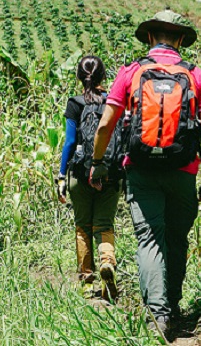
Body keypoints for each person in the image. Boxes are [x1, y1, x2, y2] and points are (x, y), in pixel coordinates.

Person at [90, 10, 201, 335]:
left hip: (141, 169)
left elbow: (106, 123)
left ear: (149, 38)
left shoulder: (131, 72)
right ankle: (173, 305)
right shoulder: (196, 76)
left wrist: (98, 162)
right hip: (183, 170)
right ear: (180, 40)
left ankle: (158, 316)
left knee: (150, 238)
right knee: (176, 238)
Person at [56, 56, 121, 300]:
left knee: (82, 227)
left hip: (80, 173)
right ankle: (107, 262)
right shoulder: (112, 103)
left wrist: (62, 175)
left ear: (79, 77)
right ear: (103, 76)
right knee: (104, 225)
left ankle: (87, 281)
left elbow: (70, 142)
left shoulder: (75, 103)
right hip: (109, 172)